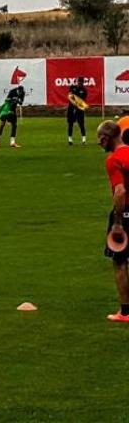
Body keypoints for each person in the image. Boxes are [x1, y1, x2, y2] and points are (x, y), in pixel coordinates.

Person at [98, 120, 129, 322]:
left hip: (126, 213)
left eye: (100, 139)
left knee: (119, 262)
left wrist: (118, 221)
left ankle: (125, 312)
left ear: (107, 137)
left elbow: (120, 191)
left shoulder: (113, 159)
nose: (99, 143)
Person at [67, 76, 89, 146]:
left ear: (83, 83)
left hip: (79, 109)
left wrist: (82, 105)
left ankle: (84, 140)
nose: (80, 83)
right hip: (71, 108)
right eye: (79, 82)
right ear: (77, 82)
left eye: (81, 82)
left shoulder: (84, 90)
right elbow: (69, 96)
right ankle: (70, 139)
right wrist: (74, 103)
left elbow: (83, 101)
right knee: (70, 124)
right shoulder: (72, 87)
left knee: (81, 124)